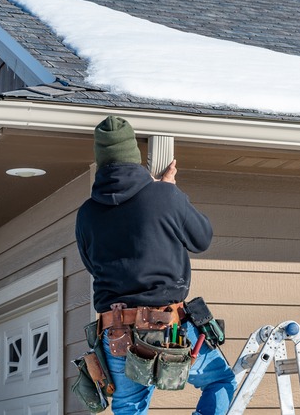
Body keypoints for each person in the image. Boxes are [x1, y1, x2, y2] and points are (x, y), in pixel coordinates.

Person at [75, 115, 237, 415]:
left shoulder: (86, 214)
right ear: (134, 159)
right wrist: (168, 193)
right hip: (168, 328)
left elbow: (91, 263)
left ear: (101, 163)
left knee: (128, 408)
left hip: (116, 332)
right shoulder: (164, 196)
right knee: (220, 383)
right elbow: (202, 238)